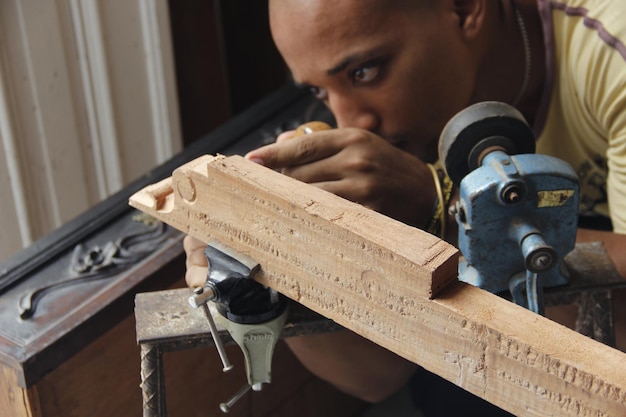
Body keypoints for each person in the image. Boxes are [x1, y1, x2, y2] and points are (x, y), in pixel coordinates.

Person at [184, 0, 626, 415]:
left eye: (364, 72)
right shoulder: (409, 124)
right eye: (321, 92)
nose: (350, 122)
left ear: (464, 8)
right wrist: (277, 272)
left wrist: (441, 207)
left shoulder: (610, 48)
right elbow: (379, 377)